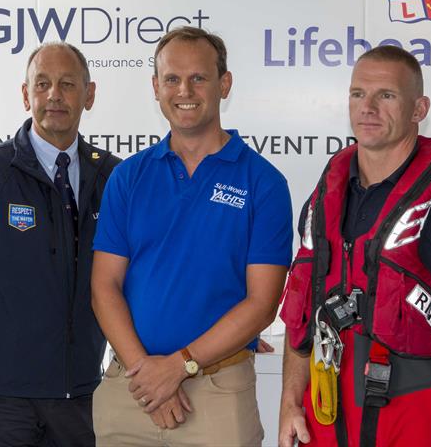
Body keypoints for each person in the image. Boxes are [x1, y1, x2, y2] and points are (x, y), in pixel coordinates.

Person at [278, 45, 431, 447]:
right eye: (358, 94)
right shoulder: (324, 198)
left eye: (385, 95)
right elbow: (306, 310)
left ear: (419, 109)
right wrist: (289, 402)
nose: (367, 107)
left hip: (424, 416)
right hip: (329, 418)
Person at [91, 26, 293, 446]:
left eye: (199, 77)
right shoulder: (128, 176)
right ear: (155, 87)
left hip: (217, 396)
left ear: (224, 84)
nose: (185, 89)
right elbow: (104, 286)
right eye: (172, 79)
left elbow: (262, 304)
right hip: (132, 388)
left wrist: (179, 367)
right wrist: (149, 374)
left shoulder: (264, 183)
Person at [0, 42, 120, 447]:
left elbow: (137, 283)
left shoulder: (114, 177)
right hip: (1, 402)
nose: (54, 94)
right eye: (43, 84)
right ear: (25, 95)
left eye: (68, 84)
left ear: (89, 95)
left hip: (83, 398)